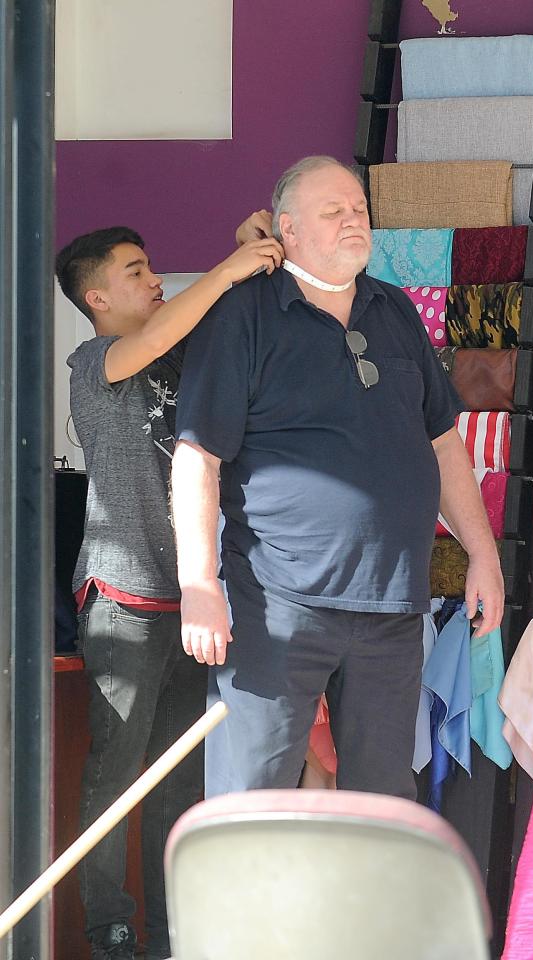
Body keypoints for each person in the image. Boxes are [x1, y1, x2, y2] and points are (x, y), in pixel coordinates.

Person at [171, 155, 504, 801]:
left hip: (391, 605)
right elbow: (197, 457)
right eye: (333, 212)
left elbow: (442, 444)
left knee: (380, 802)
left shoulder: (393, 310)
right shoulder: (243, 315)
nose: (353, 221)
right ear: (287, 230)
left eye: (358, 209)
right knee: (253, 794)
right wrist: (198, 584)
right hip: (277, 604)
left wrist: (482, 554)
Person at [57, 221, 283, 960]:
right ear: (96, 298)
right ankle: (109, 930)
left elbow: (202, 325)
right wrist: (225, 264)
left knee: (173, 781)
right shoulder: (92, 362)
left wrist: (253, 244)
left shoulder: (183, 350)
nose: (155, 281)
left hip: (195, 600)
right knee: (116, 776)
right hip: (124, 599)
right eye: (136, 272)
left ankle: (167, 934)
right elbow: (153, 341)